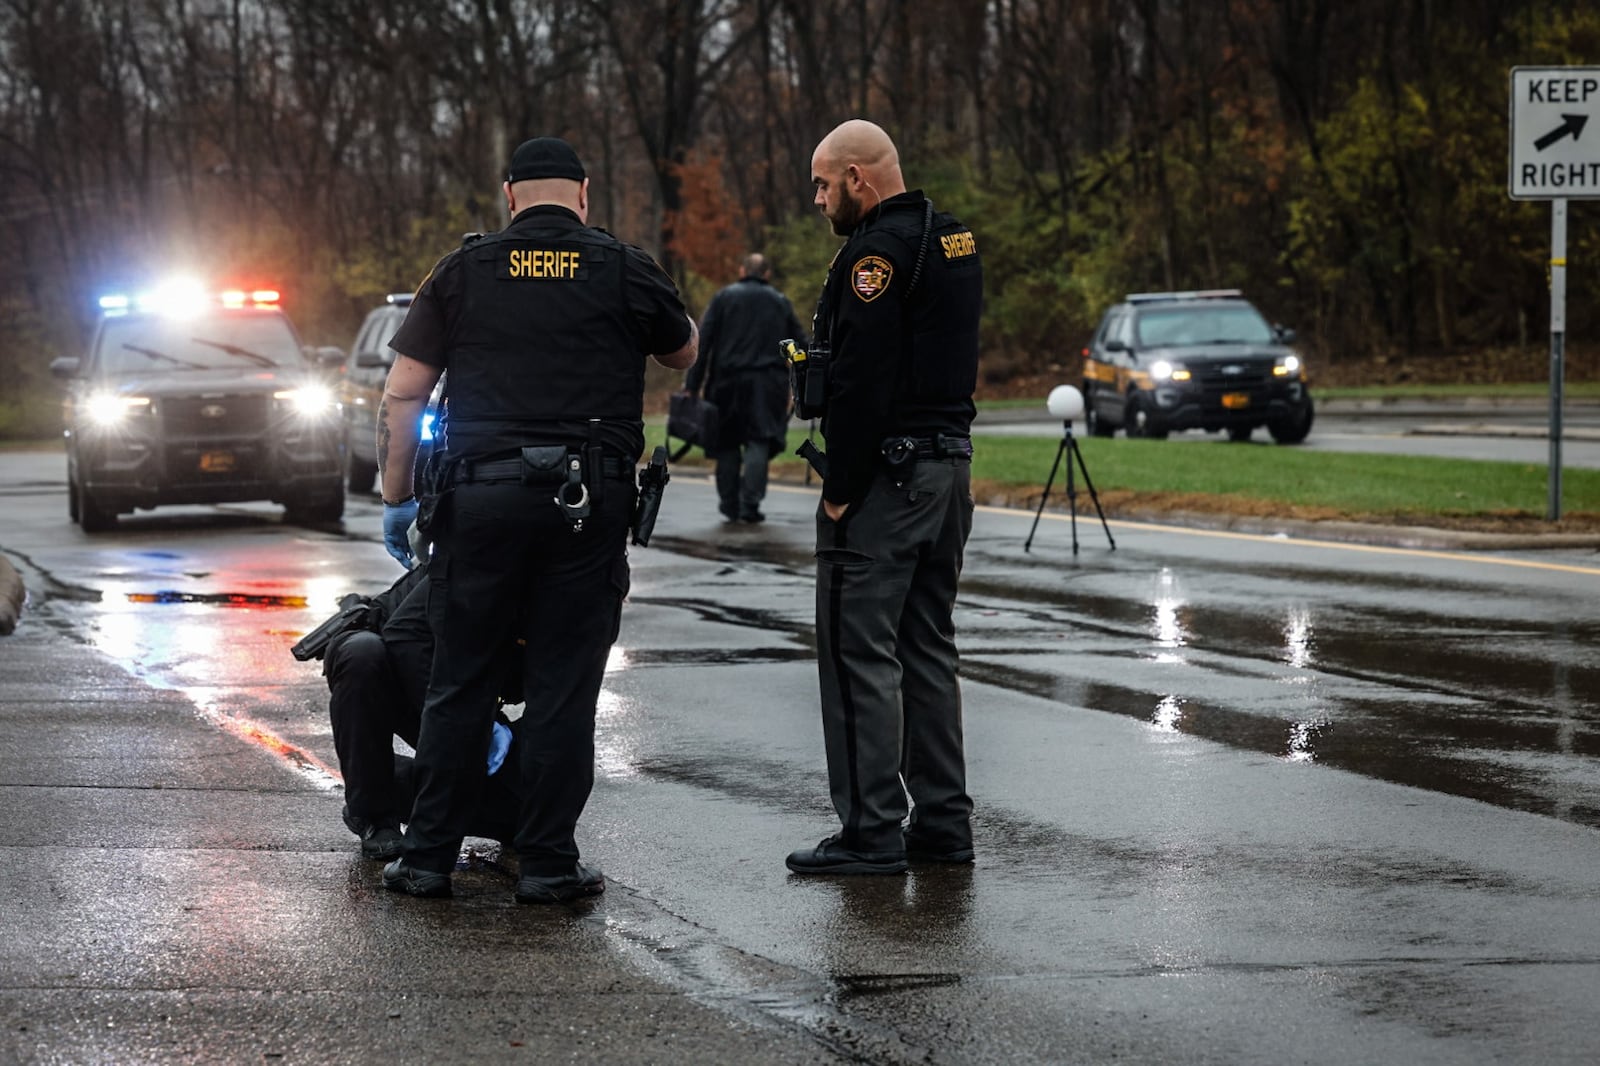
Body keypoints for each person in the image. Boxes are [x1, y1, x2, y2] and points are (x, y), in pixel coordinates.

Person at [374, 136, 697, 903]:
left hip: (479, 506)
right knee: (562, 687)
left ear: (510, 196)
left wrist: (397, 497)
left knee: (460, 680)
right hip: (585, 510)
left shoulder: (462, 271)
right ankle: (548, 863)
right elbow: (684, 350)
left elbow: (402, 392)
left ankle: (426, 861)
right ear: (583, 196)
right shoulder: (624, 266)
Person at [785, 119, 984, 876]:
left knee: (856, 649)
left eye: (822, 183)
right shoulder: (953, 239)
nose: (816, 199)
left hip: (888, 477)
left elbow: (863, 381)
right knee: (927, 646)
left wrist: (840, 490)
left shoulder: (874, 256)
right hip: (948, 469)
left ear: (858, 180)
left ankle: (871, 828)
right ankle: (942, 824)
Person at [309, 566, 523, 863]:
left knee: (523, 815)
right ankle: (373, 812)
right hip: (393, 665)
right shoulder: (475, 558)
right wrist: (473, 724)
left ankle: (392, 784)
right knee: (363, 654)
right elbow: (405, 643)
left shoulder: (567, 588)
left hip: (456, 686)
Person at [683, 253, 806, 523]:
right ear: (767, 273)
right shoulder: (780, 302)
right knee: (758, 440)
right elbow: (800, 345)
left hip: (726, 382)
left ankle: (729, 504)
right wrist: (805, 381)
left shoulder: (723, 298)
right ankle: (750, 504)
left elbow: (702, 343)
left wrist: (692, 385)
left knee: (727, 442)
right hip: (767, 383)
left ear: (741, 270)